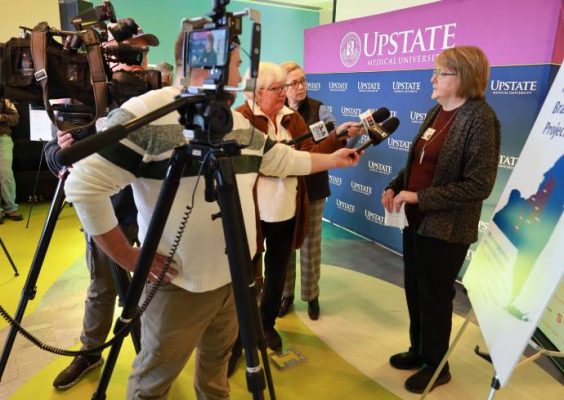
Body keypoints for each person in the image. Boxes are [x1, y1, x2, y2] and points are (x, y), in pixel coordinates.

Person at [63, 30, 362, 399]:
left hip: (236, 280)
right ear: (211, 64)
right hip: (178, 286)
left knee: (216, 377)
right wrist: (125, 255)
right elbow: (81, 187)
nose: (241, 76)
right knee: (153, 382)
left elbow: (281, 159)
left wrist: (333, 159)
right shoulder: (148, 114)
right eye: (236, 64)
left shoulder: (233, 124)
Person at [45, 24, 159, 390]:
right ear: (108, 57)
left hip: (150, 210)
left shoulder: (156, 97)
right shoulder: (81, 97)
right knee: (101, 285)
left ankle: (149, 356)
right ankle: (91, 351)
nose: (138, 63)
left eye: (142, 55)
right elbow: (54, 153)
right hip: (105, 212)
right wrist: (63, 153)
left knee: (147, 286)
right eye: (130, 54)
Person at [381, 46, 500, 393]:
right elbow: (418, 163)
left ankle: (437, 365)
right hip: (415, 221)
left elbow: (479, 184)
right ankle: (418, 350)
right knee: (415, 289)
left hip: (446, 229)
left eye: (441, 73)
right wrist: (395, 186)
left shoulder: (480, 118)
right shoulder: (438, 110)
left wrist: (420, 197)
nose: (432, 78)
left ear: (463, 77)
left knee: (435, 295)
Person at [235, 61, 363, 352]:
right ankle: (237, 335)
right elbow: (249, 164)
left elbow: (309, 155)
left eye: (285, 87)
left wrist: (335, 144)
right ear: (255, 92)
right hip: (250, 213)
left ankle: (266, 325)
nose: (284, 93)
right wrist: (284, 162)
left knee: (278, 271)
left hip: (286, 210)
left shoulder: (294, 119)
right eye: (277, 88)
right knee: (246, 275)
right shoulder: (239, 118)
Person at [278, 61, 340, 320]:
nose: (301, 87)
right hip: (285, 189)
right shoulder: (277, 113)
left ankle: (311, 296)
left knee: (311, 245)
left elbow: (333, 137)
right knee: (284, 245)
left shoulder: (319, 108)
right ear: (284, 87)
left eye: (303, 81)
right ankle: (285, 295)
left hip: (313, 188)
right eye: (294, 83)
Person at [0, 98, 22, 223]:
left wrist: (2, 117)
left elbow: (15, 118)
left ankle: (10, 208)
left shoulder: (4, 99)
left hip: (3, 138)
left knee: (5, 173)